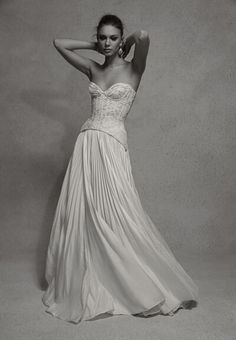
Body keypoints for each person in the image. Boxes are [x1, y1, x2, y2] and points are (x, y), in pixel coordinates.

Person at [42, 13, 199, 324]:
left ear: (120, 39)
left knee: (118, 210)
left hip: (113, 144)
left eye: (113, 37)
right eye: (102, 37)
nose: (107, 43)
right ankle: (92, 273)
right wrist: (93, 46)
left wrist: (126, 44)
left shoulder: (134, 69)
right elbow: (58, 43)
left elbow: (143, 34)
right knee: (86, 213)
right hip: (86, 145)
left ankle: (129, 280)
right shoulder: (92, 67)